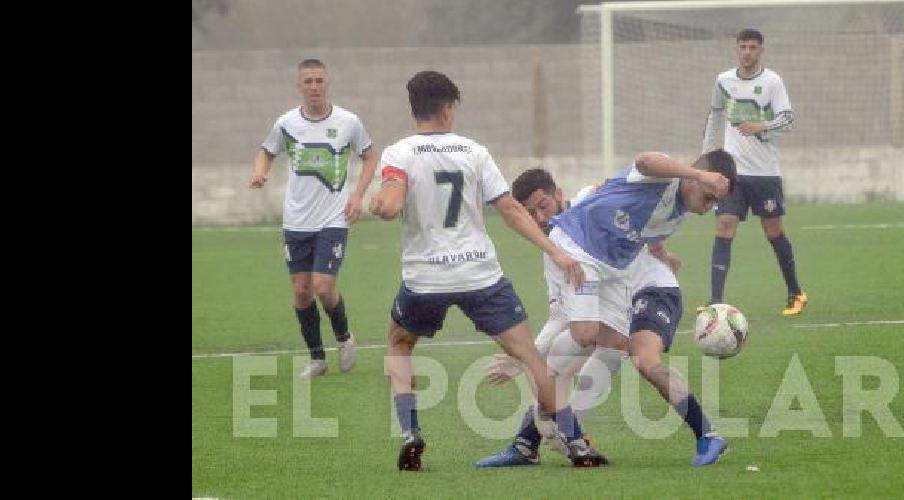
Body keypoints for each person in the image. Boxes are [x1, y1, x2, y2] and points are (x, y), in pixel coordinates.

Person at [368, 70, 607, 471]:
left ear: (416, 109)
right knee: (531, 357)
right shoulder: (474, 151)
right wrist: (556, 252)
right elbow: (511, 210)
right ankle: (575, 441)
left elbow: (389, 207)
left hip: (426, 280)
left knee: (400, 344)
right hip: (480, 275)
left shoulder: (399, 153)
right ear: (447, 108)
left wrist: (378, 204)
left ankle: (411, 432)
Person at [478, 150, 737, 468]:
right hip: (596, 264)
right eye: (531, 214)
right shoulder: (564, 244)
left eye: (542, 207)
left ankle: (546, 433)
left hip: (633, 280)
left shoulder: (670, 207)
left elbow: (642, 213)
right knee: (594, 339)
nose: (540, 219)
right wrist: (526, 356)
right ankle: (540, 434)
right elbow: (644, 163)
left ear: (558, 195)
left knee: (607, 344)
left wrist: (661, 253)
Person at [248, 58, 376, 378]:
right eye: (309, 82)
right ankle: (317, 358)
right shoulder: (287, 124)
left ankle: (345, 338)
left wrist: (358, 195)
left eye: (319, 81)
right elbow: (267, 150)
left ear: (327, 82)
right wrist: (260, 172)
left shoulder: (349, 122)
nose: (315, 87)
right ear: (299, 85)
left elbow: (370, 156)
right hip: (296, 221)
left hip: (333, 218)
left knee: (323, 285)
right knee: (302, 291)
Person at [701, 29, 807, 315]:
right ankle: (715, 301)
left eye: (752, 47)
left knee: (773, 232)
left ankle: (796, 293)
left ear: (761, 50)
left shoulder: (772, 81)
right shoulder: (723, 81)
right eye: (743, 47)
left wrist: (763, 125)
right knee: (724, 226)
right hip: (733, 174)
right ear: (736, 49)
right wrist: (706, 159)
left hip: (765, 174)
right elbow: (715, 117)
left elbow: (788, 119)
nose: (747, 52)